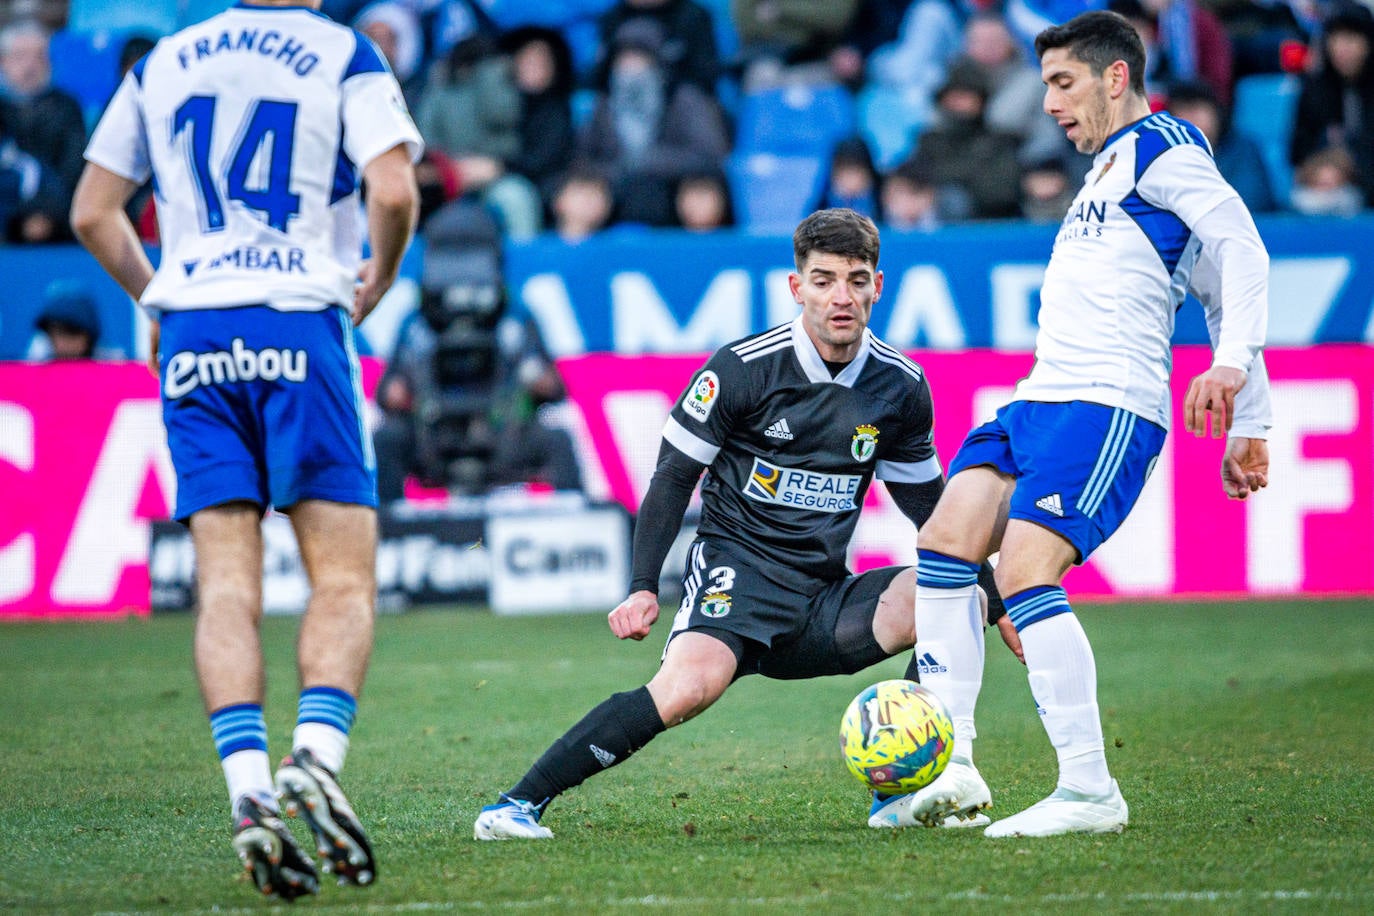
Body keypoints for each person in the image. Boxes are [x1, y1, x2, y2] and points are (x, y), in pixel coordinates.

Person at [471, 208, 1017, 841]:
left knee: (958, 596)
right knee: (685, 691)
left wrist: (1002, 605)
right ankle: (516, 805)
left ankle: (897, 793)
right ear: (796, 287)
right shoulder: (742, 369)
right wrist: (643, 584)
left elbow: (933, 511)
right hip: (739, 579)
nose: (841, 296)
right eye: (823, 279)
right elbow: (673, 477)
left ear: (878, 286)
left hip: (824, 599)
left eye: (856, 279)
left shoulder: (899, 386)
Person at [882, 10, 1272, 838]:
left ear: (1116, 77)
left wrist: (1234, 372)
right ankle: (953, 769)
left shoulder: (1165, 148)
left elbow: (1239, 248)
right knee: (946, 543)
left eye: (1064, 83)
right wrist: (1255, 417)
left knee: (1025, 572)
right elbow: (1204, 280)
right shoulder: (1107, 171)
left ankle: (1090, 791)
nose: (1051, 103)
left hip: (1107, 404)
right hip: (1040, 398)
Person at [70, 0, 420, 899]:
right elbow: (392, 189)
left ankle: (249, 793)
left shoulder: (166, 62)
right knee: (341, 578)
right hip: (298, 319)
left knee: (227, 581)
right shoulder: (341, 52)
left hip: (195, 333)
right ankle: (314, 756)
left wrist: (158, 297)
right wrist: (375, 278)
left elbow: (91, 211)